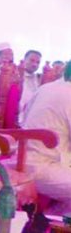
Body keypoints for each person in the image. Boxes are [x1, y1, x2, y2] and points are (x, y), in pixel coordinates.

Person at [24, 61, 71, 215]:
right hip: (43, 166)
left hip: (23, 159)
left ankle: (50, 222)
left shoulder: (45, 88)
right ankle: (54, 227)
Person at [18, 49, 43, 123]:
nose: (35, 64)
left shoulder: (37, 79)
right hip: (19, 119)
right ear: (24, 60)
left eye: (38, 62)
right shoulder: (16, 76)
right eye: (32, 60)